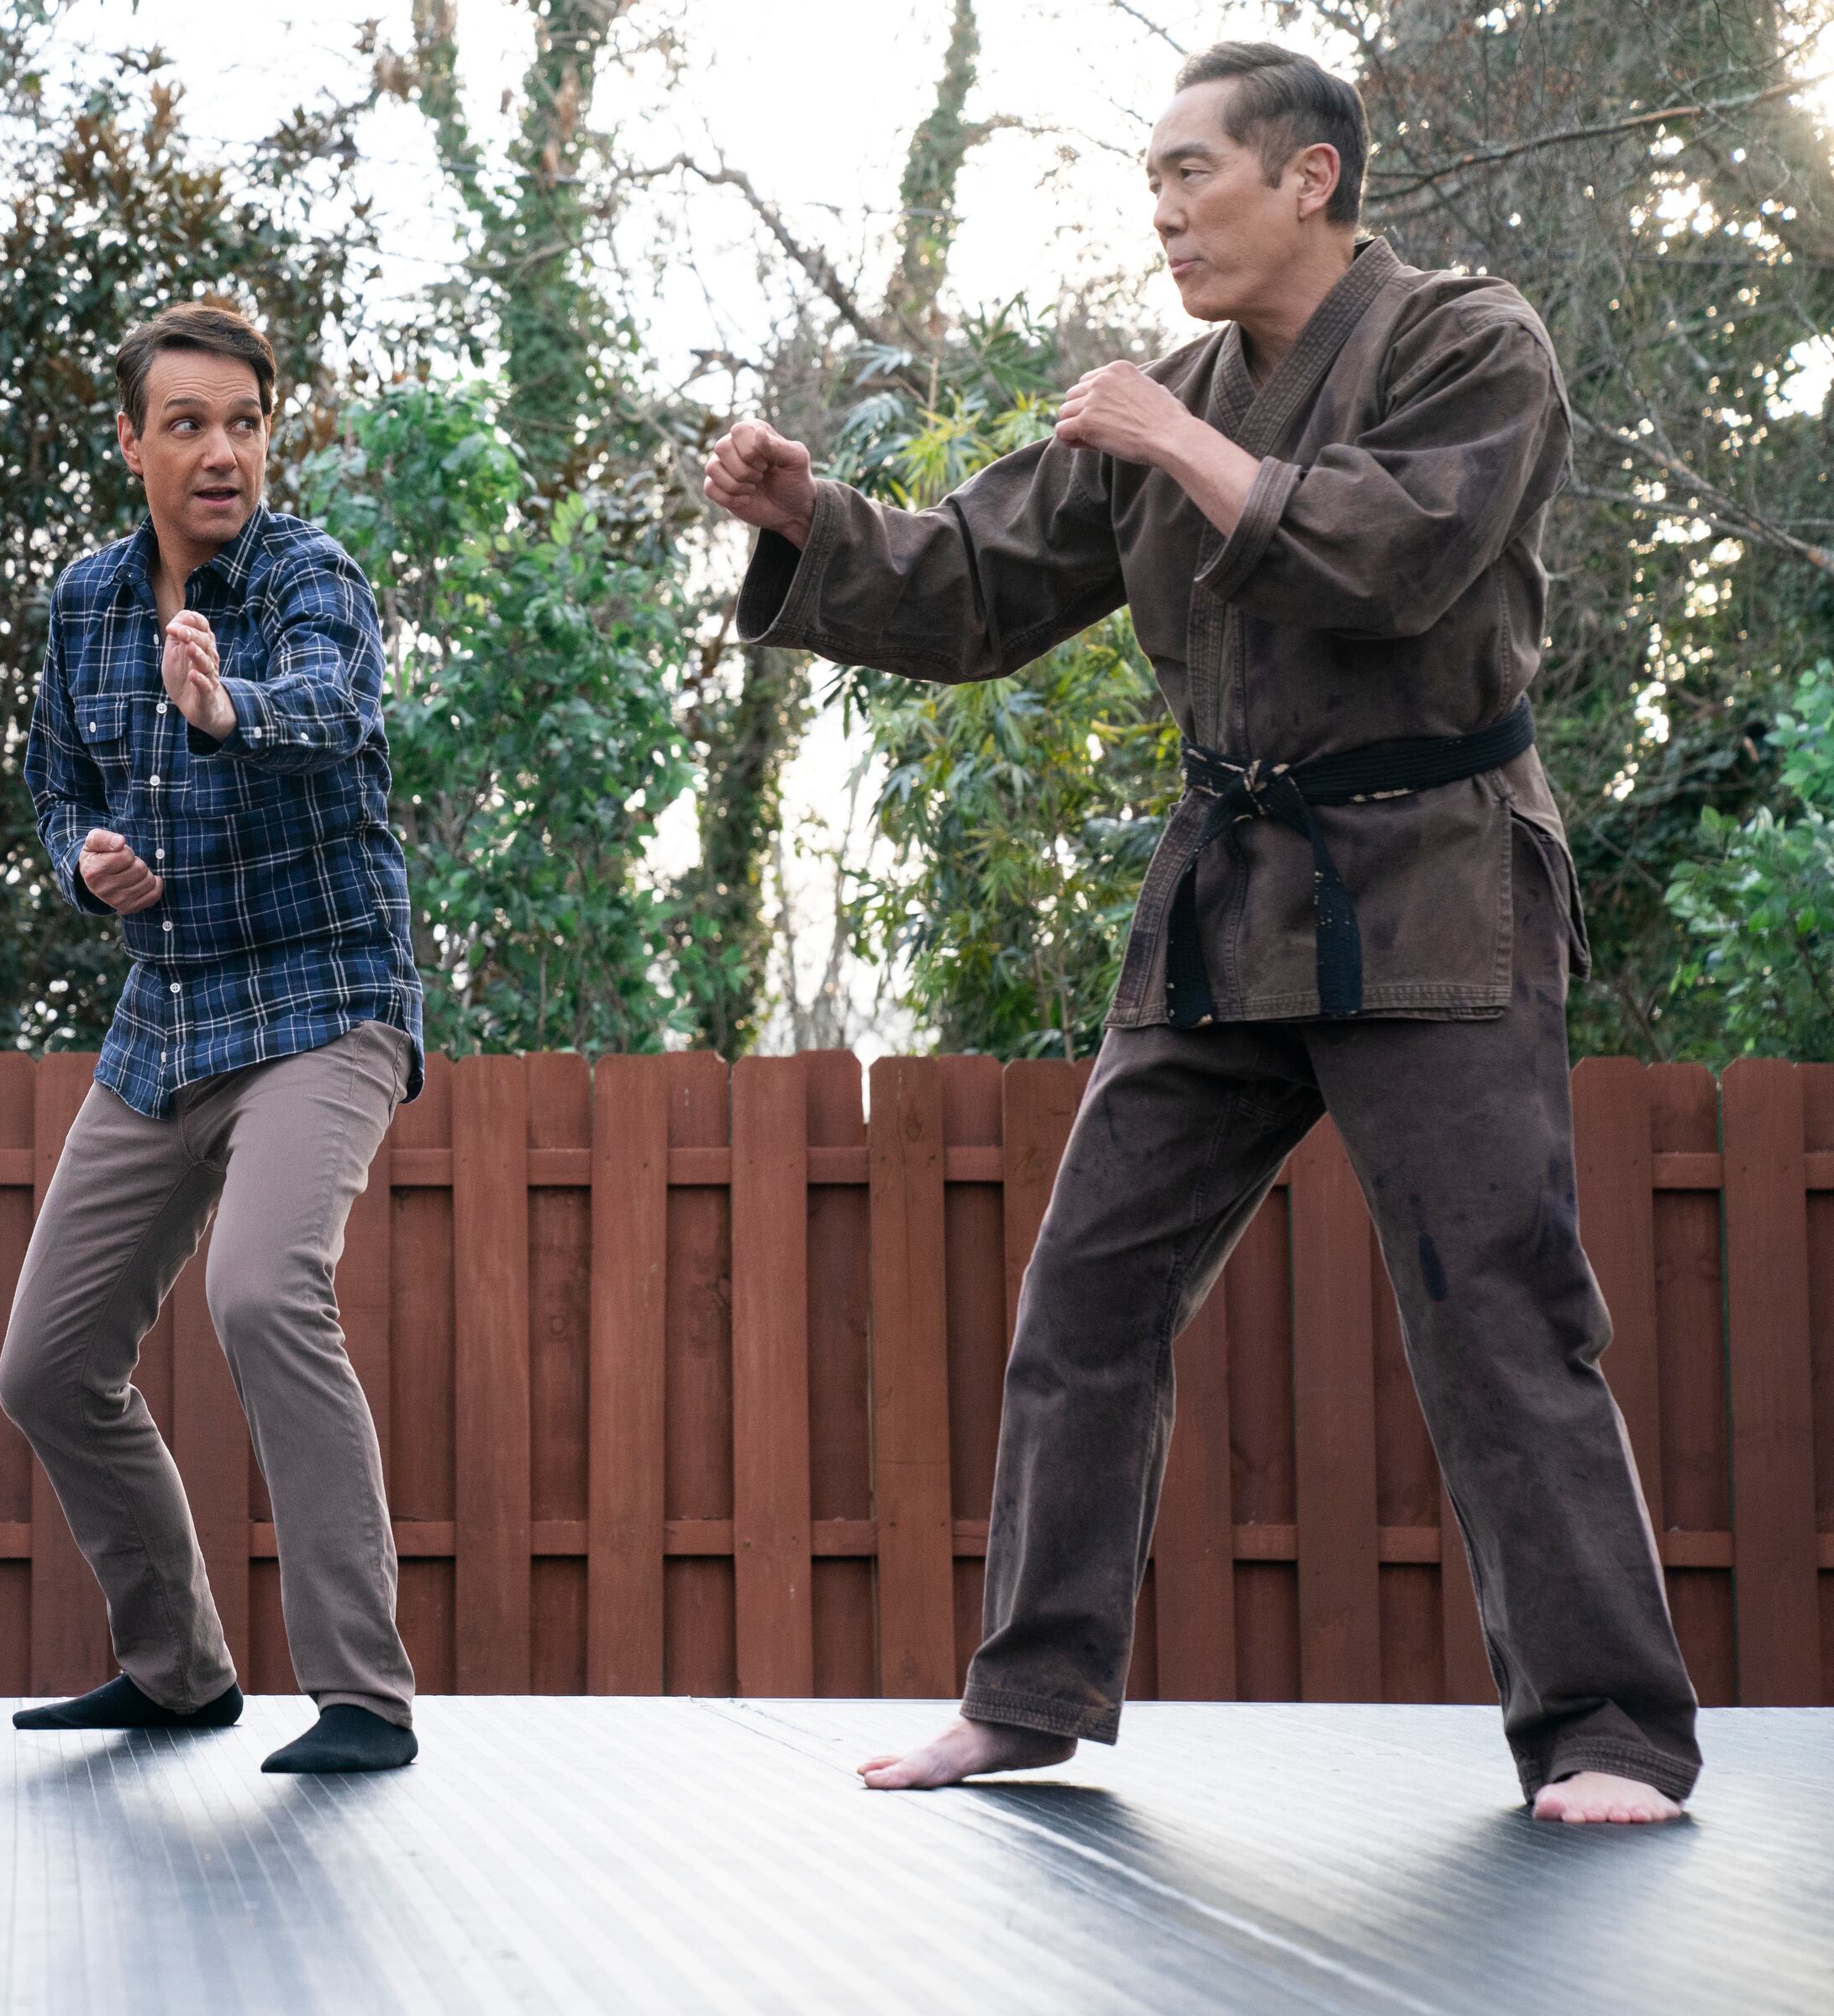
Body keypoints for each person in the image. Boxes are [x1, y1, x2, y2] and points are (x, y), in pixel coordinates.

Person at [706, 43, 1699, 1824]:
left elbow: (1406, 559)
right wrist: (810, 524)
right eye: (1151, 181)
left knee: (1499, 1311)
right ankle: (1028, 1695)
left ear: (1309, 176)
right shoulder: (1162, 393)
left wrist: (1183, 440)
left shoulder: (1471, 344)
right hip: (1234, 889)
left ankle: (1611, 1728)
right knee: (1090, 1284)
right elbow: (976, 585)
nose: (1160, 210)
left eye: (1191, 174)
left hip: (1438, 882)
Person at [0, 303, 426, 1774]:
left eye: (243, 421)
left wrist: (227, 704)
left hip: (323, 1000)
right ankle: (177, 1668)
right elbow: (56, 786)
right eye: (187, 424)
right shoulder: (87, 604)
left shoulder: (312, 576)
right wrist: (87, 864)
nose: (222, 451)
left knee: (259, 1289)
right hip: (167, 1011)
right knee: (46, 1366)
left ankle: (363, 1694)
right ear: (131, 442)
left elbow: (333, 705)